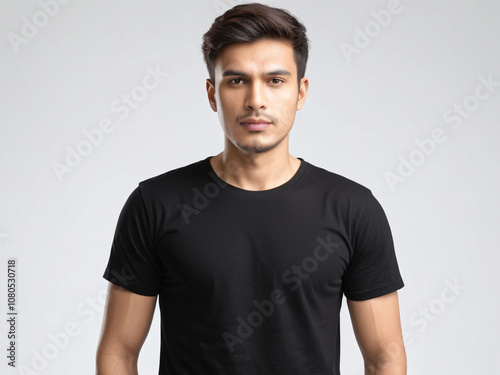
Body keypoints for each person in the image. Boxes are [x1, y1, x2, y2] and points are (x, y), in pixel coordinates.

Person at [96, 3, 406, 374]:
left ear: (301, 92)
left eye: (275, 80)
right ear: (212, 94)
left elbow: (384, 356)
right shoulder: (155, 204)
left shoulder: (353, 209)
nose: (256, 100)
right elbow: (119, 350)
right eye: (237, 80)